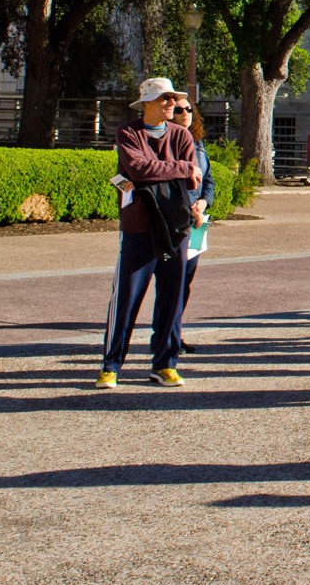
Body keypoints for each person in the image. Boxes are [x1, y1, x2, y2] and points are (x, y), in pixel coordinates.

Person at [97, 78, 202, 389]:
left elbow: (194, 179)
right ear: (146, 103)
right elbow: (138, 169)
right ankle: (111, 365)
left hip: (176, 227)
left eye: (173, 99)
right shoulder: (128, 132)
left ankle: (165, 364)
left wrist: (175, 171)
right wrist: (180, 169)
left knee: (172, 298)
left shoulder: (182, 135)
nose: (171, 104)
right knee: (126, 298)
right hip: (140, 226)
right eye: (164, 99)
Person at [171, 100, 213, 354]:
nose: (185, 113)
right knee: (173, 280)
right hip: (178, 219)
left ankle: (176, 332)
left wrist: (203, 202)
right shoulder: (168, 143)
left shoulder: (198, 144)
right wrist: (189, 206)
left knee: (186, 280)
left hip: (198, 221)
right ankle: (166, 335)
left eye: (188, 109)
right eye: (179, 110)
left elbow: (208, 179)